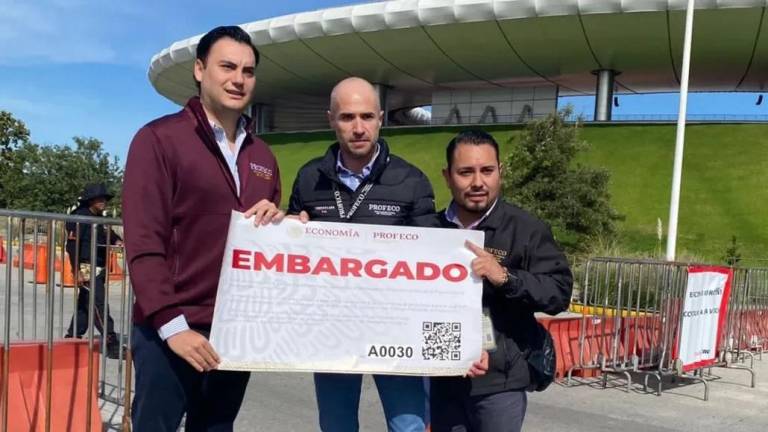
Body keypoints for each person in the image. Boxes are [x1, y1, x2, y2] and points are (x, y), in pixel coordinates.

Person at [123, 26, 283, 432]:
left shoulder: (262, 154)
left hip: (234, 330)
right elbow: (144, 242)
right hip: (171, 331)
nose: (238, 79)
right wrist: (172, 326)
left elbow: (266, 241)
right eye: (227, 66)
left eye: (248, 71)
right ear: (199, 70)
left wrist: (285, 225)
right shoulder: (158, 139)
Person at [288, 77, 435, 432]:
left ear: (381, 118)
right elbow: (292, 255)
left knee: (409, 426)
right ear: (331, 119)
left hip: (395, 330)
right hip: (332, 328)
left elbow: (434, 258)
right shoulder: (309, 179)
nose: (358, 128)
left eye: (367, 116)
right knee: (336, 426)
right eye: (347, 117)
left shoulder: (411, 180)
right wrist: (291, 230)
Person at [429, 130, 573, 432]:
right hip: (442, 377)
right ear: (447, 175)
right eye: (466, 172)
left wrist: (505, 277)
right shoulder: (430, 229)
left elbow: (559, 293)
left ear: (500, 172)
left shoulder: (526, 229)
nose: (478, 182)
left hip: (500, 384)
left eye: (487, 171)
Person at [65, 182, 123, 359]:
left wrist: (117, 241)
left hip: (99, 267)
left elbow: (110, 234)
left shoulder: (101, 218)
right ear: (90, 200)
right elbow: (72, 246)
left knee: (85, 305)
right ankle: (110, 341)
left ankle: (72, 337)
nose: (103, 201)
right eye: (99, 198)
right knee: (98, 305)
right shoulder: (79, 217)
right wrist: (77, 271)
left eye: (104, 198)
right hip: (86, 266)